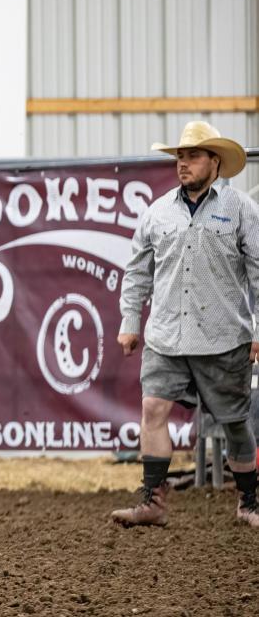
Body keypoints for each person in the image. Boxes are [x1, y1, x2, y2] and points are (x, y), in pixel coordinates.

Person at [112, 121, 259, 528]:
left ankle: (249, 501)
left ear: (215, 162)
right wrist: (130, 321)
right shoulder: (158, 212)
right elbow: (138, 271)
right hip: (166, 336)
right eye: (180, 156)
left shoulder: (242, 209)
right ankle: (153, 502)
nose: (184, 164)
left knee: (234, 423)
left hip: (224, 337)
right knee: (152, 408)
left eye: (193, 156)